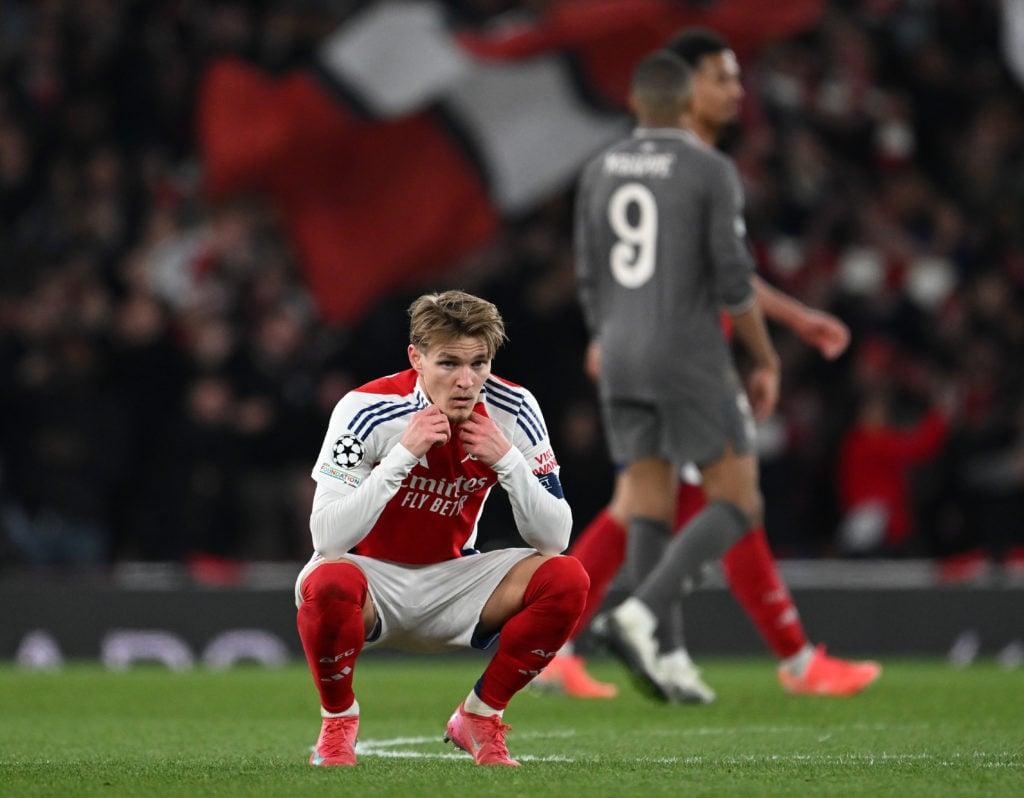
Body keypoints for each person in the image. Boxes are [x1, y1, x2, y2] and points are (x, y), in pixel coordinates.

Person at [568, 43, 879, 703]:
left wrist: (795, 317)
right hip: (688, 358)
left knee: (648, 505)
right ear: (685, 91)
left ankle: (657, 654)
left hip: (629, 352)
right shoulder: (703, 169)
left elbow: (603, 269)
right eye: (720, 77)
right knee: (730, 502)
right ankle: (642, 627)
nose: (736, 90)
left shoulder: (609, 167)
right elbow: (730, 279)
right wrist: (767, 354)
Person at [295, 290, 588, 767]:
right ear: (417, 358)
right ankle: (338, 722)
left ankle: (480, 716)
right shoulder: (365, 408)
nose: (466, 381)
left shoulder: (515, 409)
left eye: (479, 363)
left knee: (566, 577)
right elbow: (327, 538)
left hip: (455, 580)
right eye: (449, 363)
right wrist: (402, 456)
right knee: (328, 580)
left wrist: (509, 461)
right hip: (371, 579)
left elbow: (554, 538)